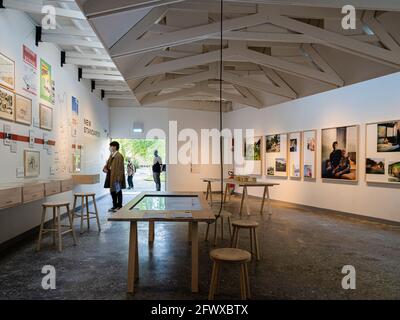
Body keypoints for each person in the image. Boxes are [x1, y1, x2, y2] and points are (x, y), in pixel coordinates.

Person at [103, 141, 126, 212]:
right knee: (112, 191)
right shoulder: (112, 155)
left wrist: (119, 178)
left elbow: (120, 168)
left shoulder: (119, 156)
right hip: (111, 176)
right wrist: (105, 168)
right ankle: (114, 206)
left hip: (116, 177)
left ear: (115, 147)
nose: (110, 148)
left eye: (111, 146)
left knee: (118, 191)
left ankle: (119, 206)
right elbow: (108, 164)